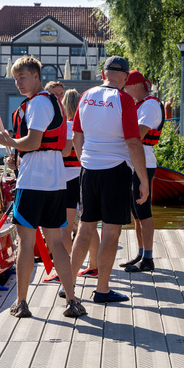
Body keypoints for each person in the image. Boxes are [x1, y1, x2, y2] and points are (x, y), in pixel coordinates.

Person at [0, 56, 86, 318]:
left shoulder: (37, 103)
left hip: (33, 179)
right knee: (56, 242)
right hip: (55, 180)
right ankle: (71, 300)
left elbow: (34, 142)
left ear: (36, 77)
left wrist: (9, 141)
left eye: (23, 77)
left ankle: (21, 302)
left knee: (25, 242)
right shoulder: (51, 103)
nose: (18, 83)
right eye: (15, 78)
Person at [69, 56, 149, 304]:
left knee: (85, 229)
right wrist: (143, 179)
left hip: (89, 170)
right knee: (111, 231)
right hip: (115, 169)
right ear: (125, 77)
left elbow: (76, 136)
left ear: (103, 74)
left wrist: (85, 161)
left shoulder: (85, 96)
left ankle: (68, 285)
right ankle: (102, 289)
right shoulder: (123, 99)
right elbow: (133, 143)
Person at [43, 88, 101, 283]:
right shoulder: (87, 125)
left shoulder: (68, 126)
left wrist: (46, 153)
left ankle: (63, 269)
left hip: (68, 179)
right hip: (84, 176)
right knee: (88, 224)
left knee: (65, 228)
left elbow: (67, 151)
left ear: (66, 106)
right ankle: (95, 265)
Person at [120, 70, 163, 273]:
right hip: (133, 163)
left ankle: (148, 258)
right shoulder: (139, 105)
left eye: (126, 86)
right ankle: (140, 253)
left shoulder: (151, 105)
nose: (125, 90)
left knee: (143, 212)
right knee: (136, 213)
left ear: (135, 85)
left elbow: (138, 133)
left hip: (143, 162)